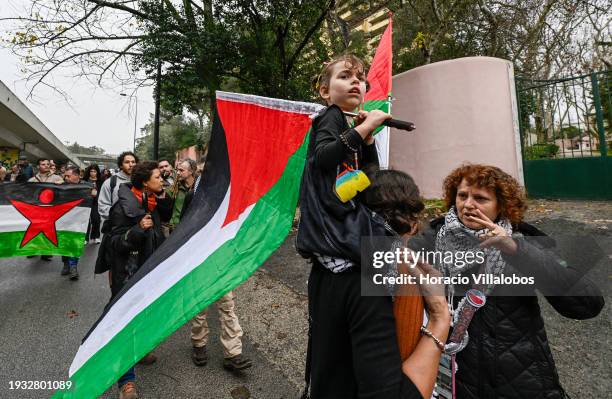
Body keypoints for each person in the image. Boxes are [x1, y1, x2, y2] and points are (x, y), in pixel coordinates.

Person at [297, 54, 437, 398]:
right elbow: (322, 158)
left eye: (361, 78)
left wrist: (369, 140)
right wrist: (361, 129)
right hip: (334, 237)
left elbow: (370, 182)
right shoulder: (329, 117)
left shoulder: (350, 131)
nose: (356, 82)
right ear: (324, 90)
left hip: (344, 251)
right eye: (346, 76)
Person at [409, 163, 604, 399]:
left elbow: (587, 305)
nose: (468, 204)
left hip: (519, 375)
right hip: (455, 377)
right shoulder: (430, 240)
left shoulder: (524, 240)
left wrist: (516, 250)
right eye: (462, 195)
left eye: (480, 198)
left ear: (502, 205)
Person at [107, 161, 172, 399]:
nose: (162, 179)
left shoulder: (151, 201)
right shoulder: (122, 207)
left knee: (145, 317)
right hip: (127, 274)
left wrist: (162, 195)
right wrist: (136, 231)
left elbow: (166, 217)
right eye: (157, 177)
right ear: (145, 182)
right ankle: (126, 382)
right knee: (125, 323)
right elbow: (114, 242)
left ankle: (140, 351)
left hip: (148, 271)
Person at [98, 151, 138, 223]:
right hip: (115, 229)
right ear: (121, 165)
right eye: (127, 162)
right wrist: (121, 216)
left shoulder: (140, 181)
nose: (131, 164)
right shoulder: (110, 182)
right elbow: (102, 207)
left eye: (133, 162)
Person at [60, 166, 84, 280]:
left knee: (75, 243)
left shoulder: (86, 186)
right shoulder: (62, 186)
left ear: (77, 175)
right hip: (63, 219)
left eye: (68, 176)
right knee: (64, 242)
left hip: (79, 220)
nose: (66, 178)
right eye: (65, 176)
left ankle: (73, 266)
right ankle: (65, 263)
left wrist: (93, 193)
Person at [167, 159, 196, 231]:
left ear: (191, 171)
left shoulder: (199, 187)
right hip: (176, 228)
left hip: (193, 227)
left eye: (181, 170)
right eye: (177, 170)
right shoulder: (173, 189)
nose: (178, 173)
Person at [84, 164, 103, 244]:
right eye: (91, 171)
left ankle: (96, 236)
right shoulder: (85, 181)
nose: (92, 173)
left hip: (97, 203)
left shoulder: (101, 181)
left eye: (94, 171)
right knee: (86, 221)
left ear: (97, 172)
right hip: (86, 202)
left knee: (96, 220)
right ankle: (85, 238)